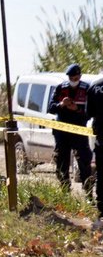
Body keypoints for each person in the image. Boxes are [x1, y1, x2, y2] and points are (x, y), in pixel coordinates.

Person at [47, 63, 92, 194]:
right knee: (61, 161)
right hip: (62, 132)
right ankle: (65, 191)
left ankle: (88, 193)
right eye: (71, 78)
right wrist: (61, 104)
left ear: (80, 76)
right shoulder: (61, 88)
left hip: (79, 130)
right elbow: (50, 107)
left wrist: (77, 109)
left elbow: (91, 112)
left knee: (84, 161)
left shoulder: (87, 89)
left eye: (75, 78)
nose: (73, 80)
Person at [86, 75, 103, 219]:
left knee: (101, 174)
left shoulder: (94, 85)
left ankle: (101, 209)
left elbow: (89, 112)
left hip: (101, 139)